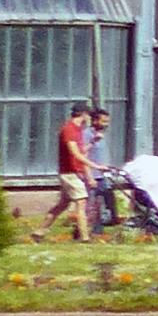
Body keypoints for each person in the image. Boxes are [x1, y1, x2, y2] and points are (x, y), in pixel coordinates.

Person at [40, 102, 106, 240]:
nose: (89, 118)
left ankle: (39, 232)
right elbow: (75, 154)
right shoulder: (69, 129)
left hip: (74, 172)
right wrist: (96, 167)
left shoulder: (77, 130)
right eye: (88, 115)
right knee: (81, 202)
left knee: (62, 205)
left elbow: (81, 151)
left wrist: (93, 142)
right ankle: (85, 238)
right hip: (69, 173)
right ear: (83, 114)